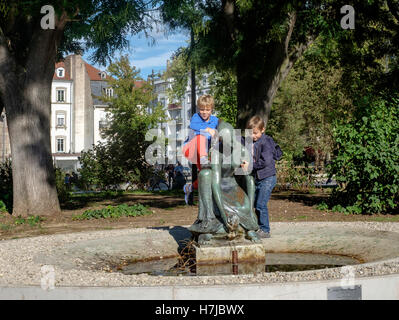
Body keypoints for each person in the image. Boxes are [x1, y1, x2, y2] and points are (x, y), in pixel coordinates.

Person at [241, 115, 283, 239]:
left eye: (255, 133)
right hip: (258, 178)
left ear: (262, 130)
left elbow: (266, 162)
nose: (253, 136)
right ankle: (256, 226)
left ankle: (265, 230)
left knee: (260, 204)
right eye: (250, 133)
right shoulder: (249, 140)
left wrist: (250, 166)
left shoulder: (266, 141)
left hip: (267, 178)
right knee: (253, 203)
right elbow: (237, 140)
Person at [182, 94, 219, 204]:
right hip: (191, 148)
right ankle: (204, 160)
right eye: (202, 109)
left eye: (207, 110)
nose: (204, 112)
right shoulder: (196, 117)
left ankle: (190, 188)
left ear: (212, 109)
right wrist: (207, 129)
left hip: (204, 152)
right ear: (199, 109)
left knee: (208, 175)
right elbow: (194, 125)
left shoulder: (215, 120)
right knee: (201, 136)